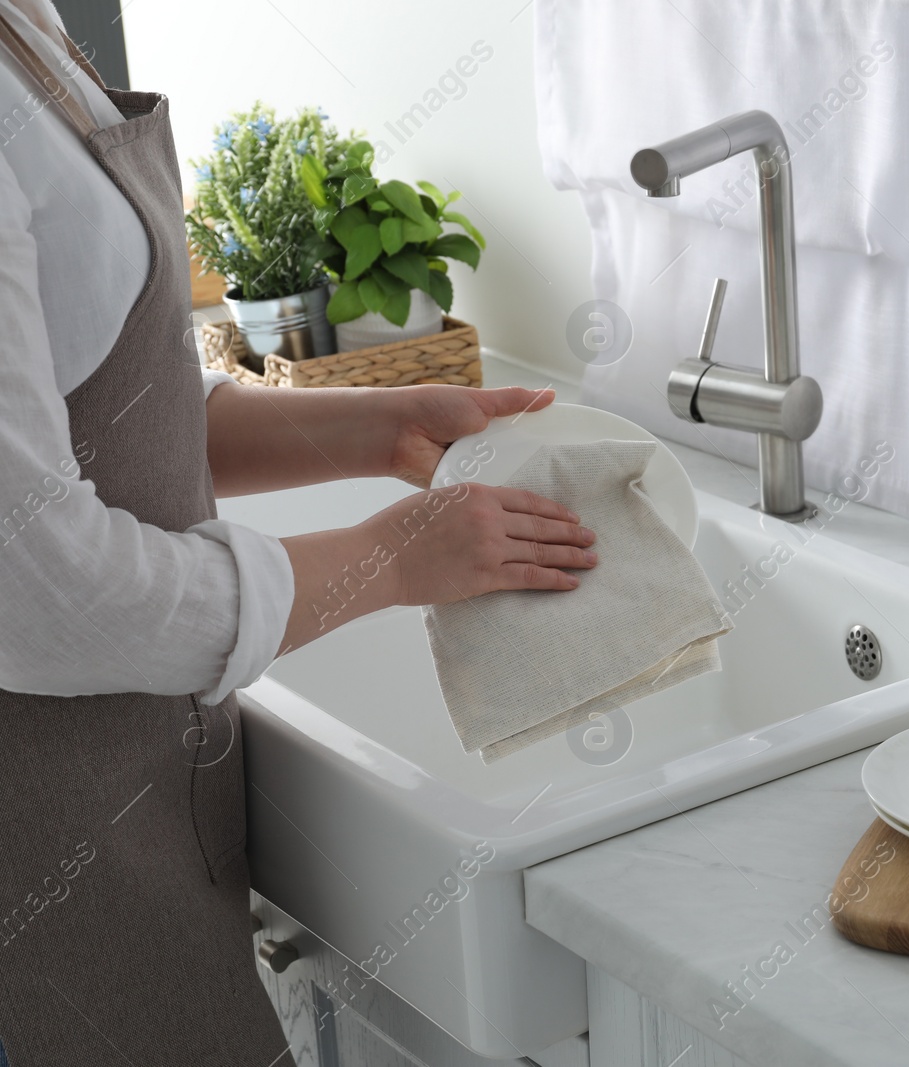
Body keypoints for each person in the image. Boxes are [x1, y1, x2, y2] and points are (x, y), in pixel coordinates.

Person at [0, 2, 596, 1061]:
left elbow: (91, 412)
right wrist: (391, 559)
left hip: (126, 806)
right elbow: (44, 593)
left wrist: (374, 423)